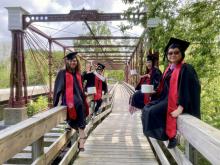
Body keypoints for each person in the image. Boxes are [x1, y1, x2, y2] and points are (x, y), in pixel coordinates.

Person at [141, 38, 201, 148]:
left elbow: (189, 89)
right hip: (165, 97)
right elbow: (163, 85)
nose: (173, 55)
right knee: (147, 108)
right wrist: (155, 91)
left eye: (176, 52)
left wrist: (180, 108)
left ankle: (169, 136)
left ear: (181, 53)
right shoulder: (169, 68)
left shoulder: (186, 68)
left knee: (153, 111)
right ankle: (165, 134)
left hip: (178, 101)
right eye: (170, 53)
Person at [53, 52, 89, 151]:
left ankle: (81, 135)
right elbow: (57, 89)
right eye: (71, 61)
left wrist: (84, 94)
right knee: (78, 104)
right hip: (68, 99)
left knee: (81, 104)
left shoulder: (78, 74)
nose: (73, 62)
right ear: (67, 61)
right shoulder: (62, 73)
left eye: (75, 61)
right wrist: (55, 104)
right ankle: (82, 137)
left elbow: (81, 87)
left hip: (78, 98)